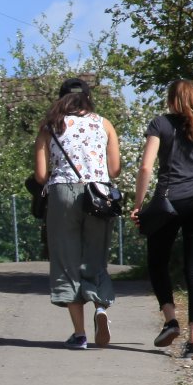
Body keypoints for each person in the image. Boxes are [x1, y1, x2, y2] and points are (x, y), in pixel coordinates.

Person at [129, 78, 193, 359]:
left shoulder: (160, 124)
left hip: (169, 203)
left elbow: (146, 168)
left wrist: (138, 205)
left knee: (157, 262)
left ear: (171, 100)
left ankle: (171, 320)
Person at [33, 77, 120, 349]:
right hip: (99, 195)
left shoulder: (49, 126)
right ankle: (101, 308)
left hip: (62, 194)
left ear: (60, 99)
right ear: (88, 98)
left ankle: (80, 334)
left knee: (66, 262)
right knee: (95, 258)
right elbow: (114, 170)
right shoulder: (104, 124)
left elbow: (41, 175)